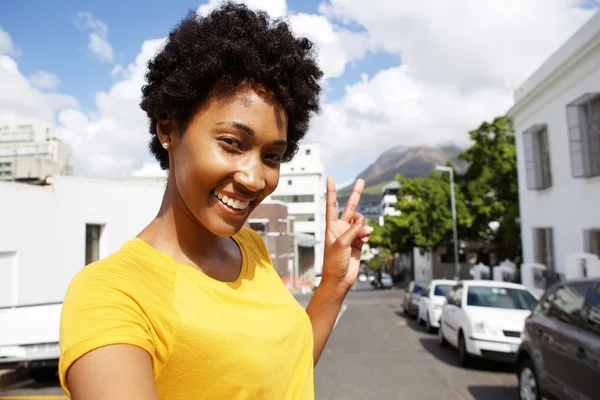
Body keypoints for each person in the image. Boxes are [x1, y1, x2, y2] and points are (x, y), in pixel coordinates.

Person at [58, 3, 372, 400]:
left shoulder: (252, 249)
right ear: (169, 129)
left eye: (272, 156)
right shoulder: (111, 293)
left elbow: (280, 375)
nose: (254, 178)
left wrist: (333, 284)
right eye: (231, 144)